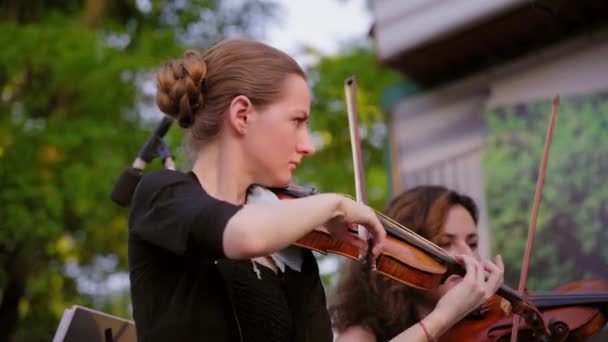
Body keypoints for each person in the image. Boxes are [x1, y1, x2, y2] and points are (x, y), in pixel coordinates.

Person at [127, 38, 498, 342]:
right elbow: (238, 233)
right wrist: (335, 203)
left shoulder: (295, 252)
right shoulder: (161, 195)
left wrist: (441, 319)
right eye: (297, 121)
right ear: (242, 115)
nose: (308, 145)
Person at [329, 185, 505, 342]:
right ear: (402, 253)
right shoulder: (363, 335)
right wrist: (443, 317)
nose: (468, 256)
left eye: (472, 243)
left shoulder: (496, 325)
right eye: (444, 243)